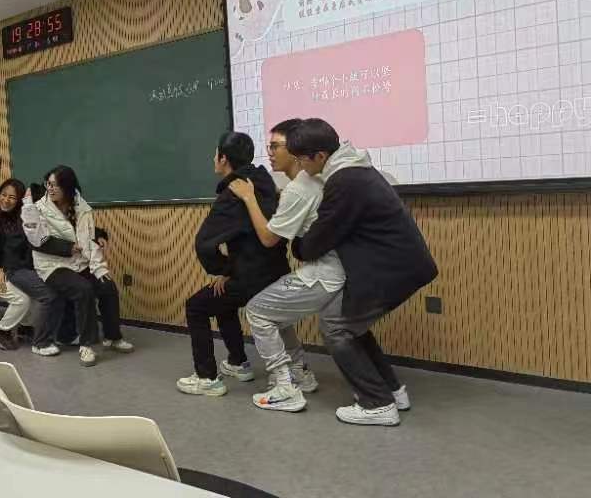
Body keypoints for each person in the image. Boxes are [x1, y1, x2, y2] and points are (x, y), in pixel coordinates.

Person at [289, 118, 437, 425]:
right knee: (352, 325)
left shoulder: (344, 180)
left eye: (302, 159)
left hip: (391, 270)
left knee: (336, 326)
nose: (301, 166)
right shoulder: (355, 168)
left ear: (320, 156)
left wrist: (298, 245)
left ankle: (377, 404)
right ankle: (393, 391)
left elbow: (319, 238)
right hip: (397, 266)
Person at [176, 131, 290, 397]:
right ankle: (238, 362)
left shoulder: (232, 193)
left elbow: (204, 245)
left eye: (216, 154)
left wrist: (225, 270)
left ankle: (206, 378)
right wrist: (229, 271)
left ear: (224, 158)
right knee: (220, 298)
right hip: (277, 272)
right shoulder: (264, 182)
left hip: (253, 278)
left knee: (196, 307)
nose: (213, 159)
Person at [227, 118, 327, 412]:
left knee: (257, 310)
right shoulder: (308, 183)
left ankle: (285, 386)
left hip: (323, 274)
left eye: (275, 146)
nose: (269, 153)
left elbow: (269, 238)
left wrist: (249, 198)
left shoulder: (299, 189)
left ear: (295, 150)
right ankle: (300, 373)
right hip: (325, 269)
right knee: (276, 312)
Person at [22, 165, 133, 366]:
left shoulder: (81, 207)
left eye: (55, 185)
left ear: (68, 186)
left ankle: (113, 336)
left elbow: (86, 232)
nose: (50, 188)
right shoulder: (38, 209)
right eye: (48, 184)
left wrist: (100, 237)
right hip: (52, 265)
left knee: (107, 286)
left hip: (79, 262)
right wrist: (69, 248)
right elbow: (36, 241)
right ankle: (86, 344)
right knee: (83, 289)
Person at [0, 178, 72, 354]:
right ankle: (2, 333)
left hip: (12, 268)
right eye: (3, 195)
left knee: (36, 293)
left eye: (12, 197)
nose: (6, 200)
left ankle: (25, 328)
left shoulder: (20, 217)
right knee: (21, 299)